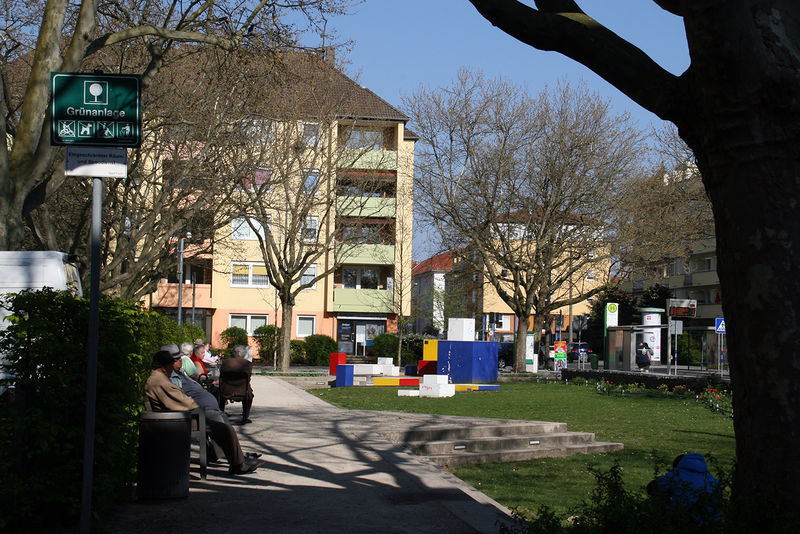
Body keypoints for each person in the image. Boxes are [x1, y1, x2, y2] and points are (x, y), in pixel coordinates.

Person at [145, 347, 261, 475]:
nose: (172, 368)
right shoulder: (160, 381)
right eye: (170, 365)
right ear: (163, 367)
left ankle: (235, 461)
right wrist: (197, 408)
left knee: (223, 426)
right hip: (179, 421)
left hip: (181, 418)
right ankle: (237, 464)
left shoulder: (160, 378)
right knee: (225, 429)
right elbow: (183, 402)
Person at [647, 453, 720, 525]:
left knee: (657, 496)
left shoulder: (677, 474)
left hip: (686, 518)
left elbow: (652, 487)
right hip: (712, 521)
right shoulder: (712, 479)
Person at [219, 344, 254, 424]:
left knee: (217, 392)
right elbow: (248, 378)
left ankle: (221, 413)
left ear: (233, 353)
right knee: (249, 394)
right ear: (244, 354)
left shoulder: (226, 362)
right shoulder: (248, 364)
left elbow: (221, 376)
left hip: (225, 390)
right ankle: (245, 416)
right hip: (243, 391)